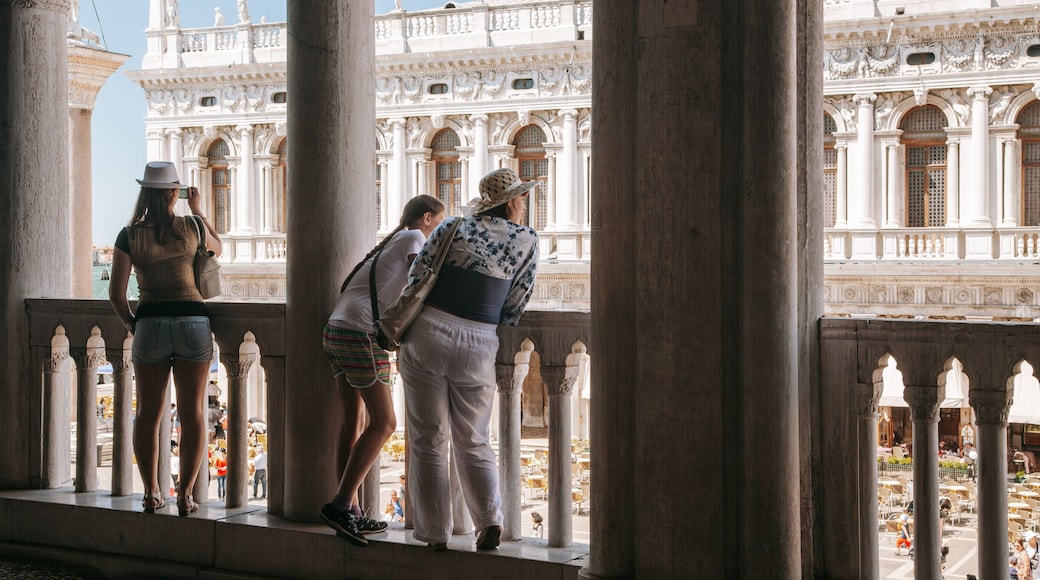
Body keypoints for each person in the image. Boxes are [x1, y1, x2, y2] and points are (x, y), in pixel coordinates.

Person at [398, 168, 540, 552]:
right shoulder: (527, 239)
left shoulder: (452, 227)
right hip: (479, 337)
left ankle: (433, 534)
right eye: (521, 198)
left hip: (429, 330)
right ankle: (488, 521)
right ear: (511, 202)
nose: (524, 204)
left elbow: (417, 273)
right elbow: (517, 300)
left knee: (428, 439)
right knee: (473, 438)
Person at [318, 195, 446, 547]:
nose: (437, 233)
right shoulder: (413, 238)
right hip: (360, 333)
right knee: (386, 422)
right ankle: (341, 503)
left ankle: (352, 510)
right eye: (439, 224)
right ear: (426, 218)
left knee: (352, 424)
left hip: (336, 329)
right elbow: (424, 280)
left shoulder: (388, 243)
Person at [109, 161, 221, 517]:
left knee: (149, 414)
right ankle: (186, 495)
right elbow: (218, 248)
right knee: (193, 414)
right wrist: (199, 209)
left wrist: (133, 325)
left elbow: (116, 293)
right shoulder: (190, 226)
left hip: (150, 323)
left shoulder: (128, 235)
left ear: (144, 192)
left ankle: (152, 492)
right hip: (193, 321)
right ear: (176, 193)